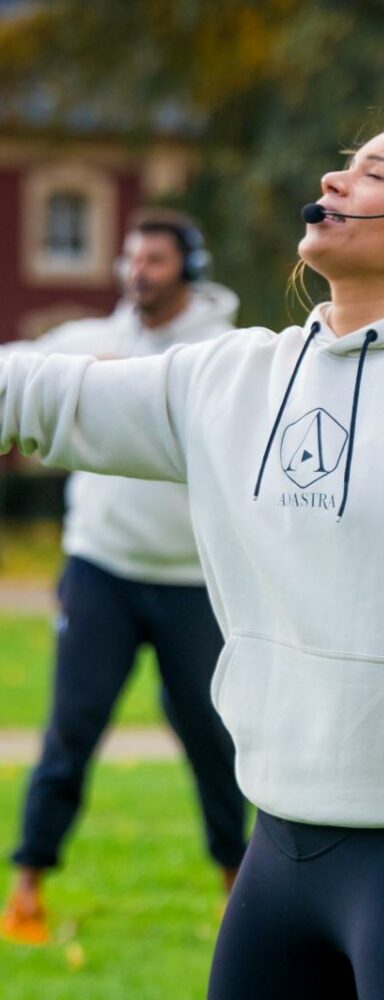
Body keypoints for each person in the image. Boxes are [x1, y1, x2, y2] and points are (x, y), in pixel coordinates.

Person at [0, 115, 384, 997]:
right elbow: (43, 392)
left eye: (372, 174)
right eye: (342, 166)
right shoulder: (231, 378)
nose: (334, 181)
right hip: (274, 860)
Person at [0, 210, 247, 947]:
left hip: (190, 583)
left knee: (213, 742)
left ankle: (239, 895)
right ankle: (26, 893)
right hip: (99, 570)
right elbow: (16, 372)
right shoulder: (87, 343)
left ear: (189, 270)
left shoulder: (222, 355)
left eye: (155, 261)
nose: (138, 272)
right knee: (70, 731)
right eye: (131, 259)